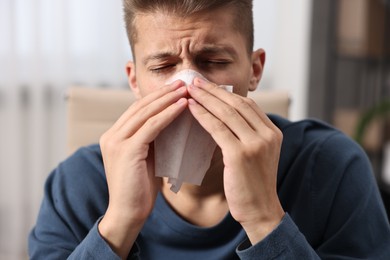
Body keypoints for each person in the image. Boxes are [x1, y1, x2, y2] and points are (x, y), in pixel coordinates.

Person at [28, 0, 390, 259]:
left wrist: (264, 218)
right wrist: (120, 222)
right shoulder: (77, 184)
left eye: (214, 62)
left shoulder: (332, 168)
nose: (188, 86)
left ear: (254, 69)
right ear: (134, 79)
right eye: (163, 66)